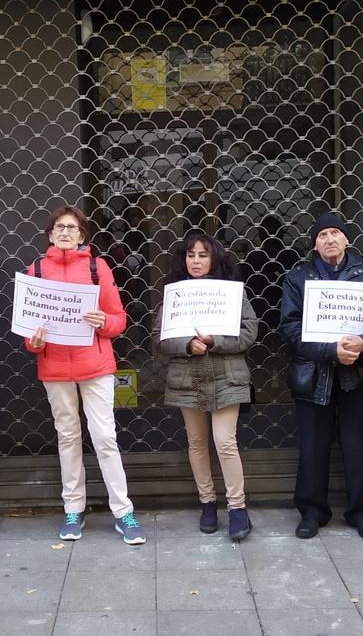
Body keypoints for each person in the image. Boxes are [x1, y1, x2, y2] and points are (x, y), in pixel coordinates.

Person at [25, 205, 146, 545]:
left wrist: (103, 323)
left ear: (82, 235)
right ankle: (73, 510)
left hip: (95, 366)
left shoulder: (97, 267)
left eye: (72, 228)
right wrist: (33, 342)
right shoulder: (35, 270)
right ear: (50, 234)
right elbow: (27, 328)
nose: (65, 232)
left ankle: (124, 512)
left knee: (105, 438)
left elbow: (119, 319)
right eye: (59, 227)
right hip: (55, 368)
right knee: (68, 438)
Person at [280, 212, 363, 542]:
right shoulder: (298, 277)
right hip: (313, 374)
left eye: (335, 233)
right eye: (322, 235)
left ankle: (362, 513)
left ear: (346, 238)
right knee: (313, 446)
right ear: (314, 245)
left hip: (358, 373)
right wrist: (331, 351)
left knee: (357, 445)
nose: (329, 239)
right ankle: (312, 511)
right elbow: (289, 327)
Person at [152, 231, 258, 541]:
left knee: (225, 441)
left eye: (203, 255)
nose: (196, 261)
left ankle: (237, 509)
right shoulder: (176, 294)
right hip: (188, 378)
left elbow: (249, 331)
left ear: (214, 258)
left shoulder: (231, 293)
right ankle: (208, 503)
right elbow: (159, 337)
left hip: (227, 376)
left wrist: (216, 342)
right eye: (190, 255)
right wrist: (187, 345)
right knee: (197, 443)